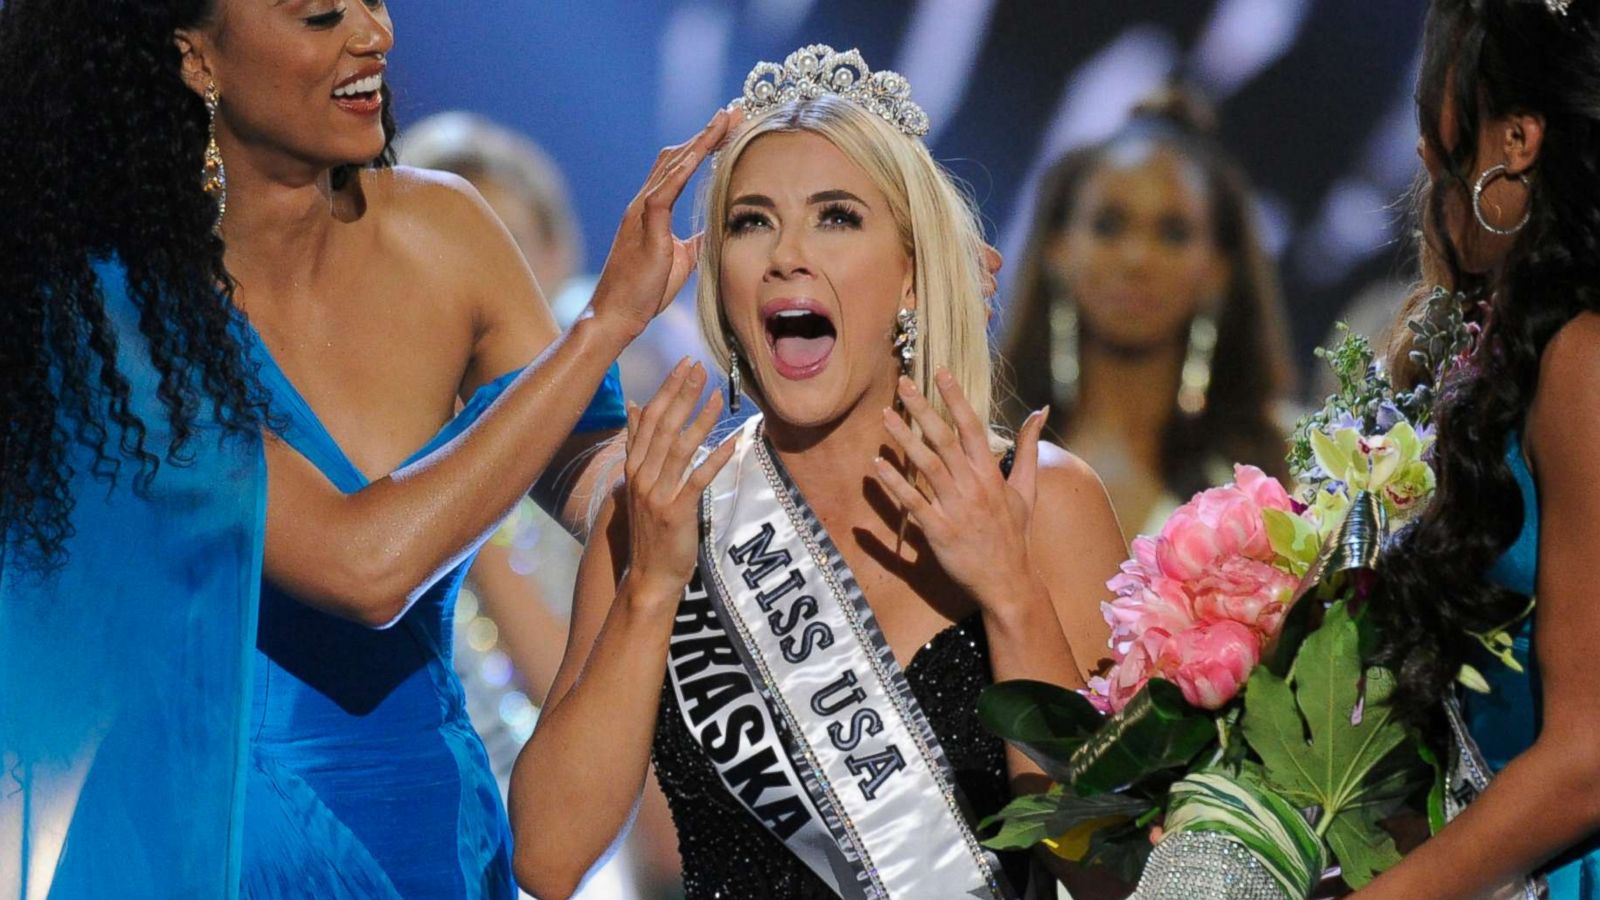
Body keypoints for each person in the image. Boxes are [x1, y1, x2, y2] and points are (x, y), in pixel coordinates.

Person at [0, 1, 735, 897]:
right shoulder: (110, 317)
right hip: (215, 850)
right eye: (318, 15)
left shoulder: (450, 232)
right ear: (197, 58)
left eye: (374, 0)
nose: (373, 34)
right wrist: (602, 328)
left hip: (436, 838)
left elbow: (608, 491)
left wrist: (785, 440)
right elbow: (364, 568)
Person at [509, 44, 1127, 900]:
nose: (785, 255)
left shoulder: (1042, 498)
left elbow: (1110, 876)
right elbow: (546, 857)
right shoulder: (655, 512)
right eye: (750, 221)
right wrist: (653, 587)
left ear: (911, 272)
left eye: (836, 216)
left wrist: (1011, 593)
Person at [1357, 1, 1600, 897]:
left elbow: (1587, 758)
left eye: (1442, 113)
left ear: (1520, 138)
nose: (1426, 151)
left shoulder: (1584, 358)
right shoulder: (1517, 349)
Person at [1000, 89, 1295, 544]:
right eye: (1108, 225)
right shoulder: (986, 446)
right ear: (1057, 249)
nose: (1138, 259)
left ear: (1218, 267)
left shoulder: (1282, 464)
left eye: (1174, 233)